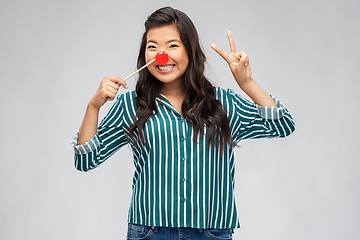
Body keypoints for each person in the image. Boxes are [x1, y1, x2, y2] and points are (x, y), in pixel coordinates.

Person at [72, 6, 295, 240]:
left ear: (190, 50)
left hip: (210, 232)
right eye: (153, 47)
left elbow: (282, 125)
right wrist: (93, 107)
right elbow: (85, 159)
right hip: (150, 231)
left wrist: (247, 83)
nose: (162, 55)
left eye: (172, 45)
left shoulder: (223, 103)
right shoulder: (132, 105)